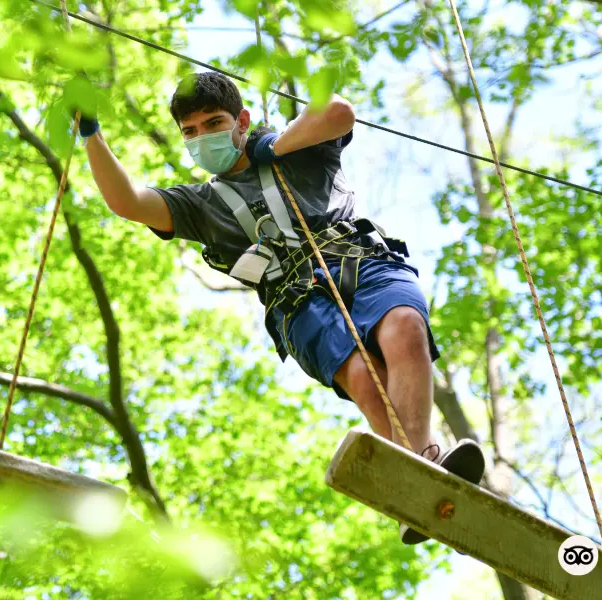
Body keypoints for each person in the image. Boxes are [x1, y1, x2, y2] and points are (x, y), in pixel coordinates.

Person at [79, 71, 485, 544]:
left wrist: (273, 145)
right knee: (360, 376)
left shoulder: (294, 146)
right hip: (298, 299)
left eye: (214, 123)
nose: (203, 137)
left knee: (404, 328)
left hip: (356, 258)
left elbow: (339, 112)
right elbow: (127, 201)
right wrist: (91, 134)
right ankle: (418, 479)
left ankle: (422, 464)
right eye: (190, 132)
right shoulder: (199, 204)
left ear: (241, 121)